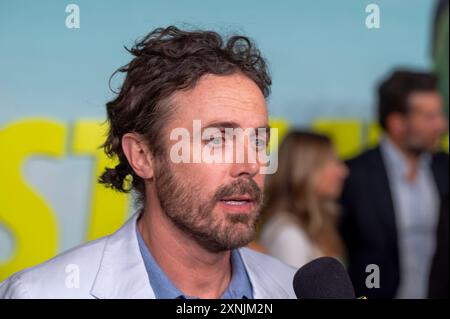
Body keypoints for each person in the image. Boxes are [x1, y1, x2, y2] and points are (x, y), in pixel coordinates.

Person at [0, 26, 296, 299]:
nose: (251, 164)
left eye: (258, 140)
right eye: (217, 139)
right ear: (142, 156)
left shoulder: (293, 289)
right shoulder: (42, 294)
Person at [340, 70, 449, 299]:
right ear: (397, 123)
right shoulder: (353, 176)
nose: (442, 125)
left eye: (440, 115)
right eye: (430, 117)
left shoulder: (444, 168)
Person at [260, 131, 348, 269]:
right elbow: (290, 290)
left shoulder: (313, 224)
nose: (343, 171)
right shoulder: (288, 235)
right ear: (307, 169)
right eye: (333, 162)